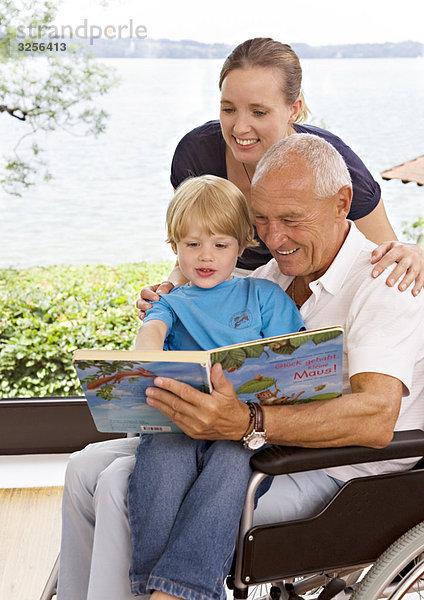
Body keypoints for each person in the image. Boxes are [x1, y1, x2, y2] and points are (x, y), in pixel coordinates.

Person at [57, 134, 424, 600]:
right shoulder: (272, 278)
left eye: (291, 220)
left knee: (115, 486)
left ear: (342, 203)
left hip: (342, 473)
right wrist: (166, 299)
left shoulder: (386, 279)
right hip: (259, 441)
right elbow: (207, 277)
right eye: (262, 220)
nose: (273, 239)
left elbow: (375, 418)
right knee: (84, 467)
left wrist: (247, 422)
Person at [137, 37, 424, 312]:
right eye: (228, 109)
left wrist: (414, 253)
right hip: (221, 285)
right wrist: (170, 288)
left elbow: (386, 254)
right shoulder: (196, 155)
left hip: (308, 293)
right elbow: (190, 248)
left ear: (293, 109)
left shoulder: (334, 168)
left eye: (258, 112)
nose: (239, 128)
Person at [126, 174, 304, 599]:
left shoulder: (262, 296)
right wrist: (150, 353)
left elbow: (291, 362)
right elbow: (150, 334)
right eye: (192, 245)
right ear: (175, 248)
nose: (206, 256)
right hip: (180, 421)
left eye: (220, 245)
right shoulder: (169, 301)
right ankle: (157, 588)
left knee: (231, 465)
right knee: (161, 464)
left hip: (242, 427)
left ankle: (176, 591)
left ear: (241, 247)